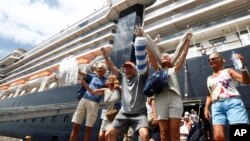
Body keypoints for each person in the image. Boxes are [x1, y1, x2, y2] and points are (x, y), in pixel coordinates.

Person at [147, 33, 192, 141]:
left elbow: (183, 54)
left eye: (167, 56)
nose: (164, 57)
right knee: (163, 133)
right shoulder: (158, 70)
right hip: (160, 98)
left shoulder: (174, 69)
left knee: (175, 132)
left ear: (171, 59)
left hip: (174, 98)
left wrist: (187, 41)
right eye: (162, 56)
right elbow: (151, 56)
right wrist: (146, 43)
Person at [101, 47, 150, 141]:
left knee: (145, 135)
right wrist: (104, 54)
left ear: (135, 70)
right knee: (110, 133)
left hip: (139, 114)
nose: (127, 70)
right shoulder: (122, 78)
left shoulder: (141, 77)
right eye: (125, 68)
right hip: (124, 113)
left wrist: (146, 54)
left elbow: (146, 67)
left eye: (130, 68)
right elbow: (111, 66)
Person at [204, 52, 250, 141]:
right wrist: (206, 108)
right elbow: (209, 94)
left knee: (239, 133)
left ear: (222, 60)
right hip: (216, 106)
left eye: (213, 59)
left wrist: (243, 67)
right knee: (218, 137)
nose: (210, 61)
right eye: (209, 60)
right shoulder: (209, 78)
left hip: (232, 103)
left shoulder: (229, 71)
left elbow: (246, 81)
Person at [69, 62, 107, 141]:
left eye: (100, 69)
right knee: (75, 125)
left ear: (104, 71)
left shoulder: (106, 82)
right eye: (97, 69)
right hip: (84, 100)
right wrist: (74, 66)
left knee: (88, 128)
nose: (98, 70)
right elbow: (81, 73)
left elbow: (101, 91)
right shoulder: (92, 76)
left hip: (94, 103)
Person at [81, 74, 121, 141]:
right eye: (107, 79)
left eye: (109, 79)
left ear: (113, 81)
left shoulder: (118, 89)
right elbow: (93, 92)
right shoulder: (104, 90)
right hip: (108, 115)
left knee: (108, 135)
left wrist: (119, 86)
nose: (107, 80)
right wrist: (85, 85)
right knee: (101, 136)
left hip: (116, 115)